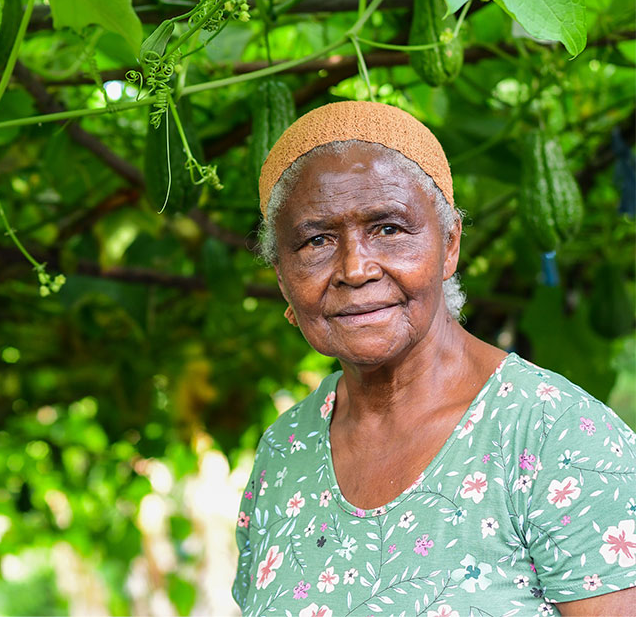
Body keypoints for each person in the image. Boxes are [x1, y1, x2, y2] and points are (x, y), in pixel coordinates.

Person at [232, 101, 636, 616]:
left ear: (449, 246)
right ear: (282, 278)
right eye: (317, 241)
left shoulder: (560, 437)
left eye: (389, 229)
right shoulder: (283, 454)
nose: (356, 268)